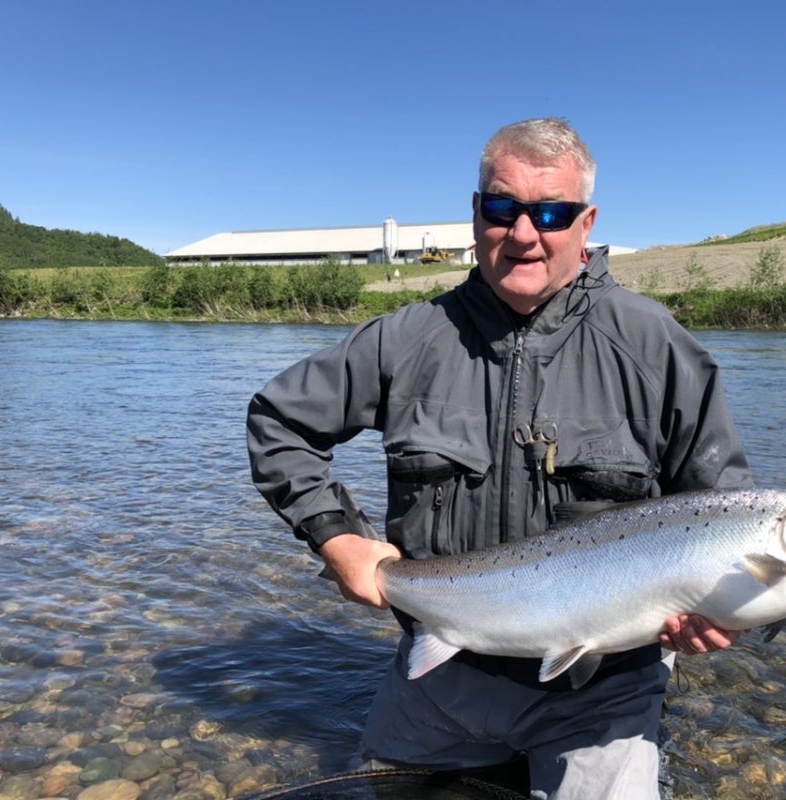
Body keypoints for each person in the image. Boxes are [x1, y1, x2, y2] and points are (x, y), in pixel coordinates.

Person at [247, 117, 752, 799]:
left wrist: (724, 611)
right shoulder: (407, 339)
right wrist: (336, 538)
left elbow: (731, 512)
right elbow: (278, 421)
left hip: (602, 692)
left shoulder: (654, 345)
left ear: (586, 221)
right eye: (501, 208)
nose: (523, 233)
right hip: (444, 678)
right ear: (475, 213)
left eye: (551, 212)